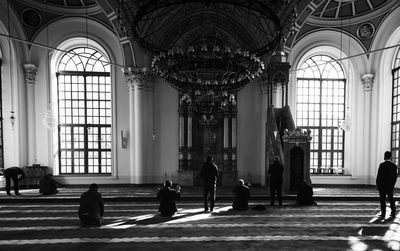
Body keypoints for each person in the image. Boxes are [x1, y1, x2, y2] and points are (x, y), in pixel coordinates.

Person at [376, 151, 398, 218]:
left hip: (382, 186)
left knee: (382, 200)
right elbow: (395, 177)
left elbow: (379, 176)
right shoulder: (394, 166)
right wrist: (392, 185)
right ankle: (393, 213)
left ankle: (383, 214)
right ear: (390, 157)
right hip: (390, 186)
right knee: (391, 199)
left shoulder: (382, 165)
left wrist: (378, 185)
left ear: (384, 156)